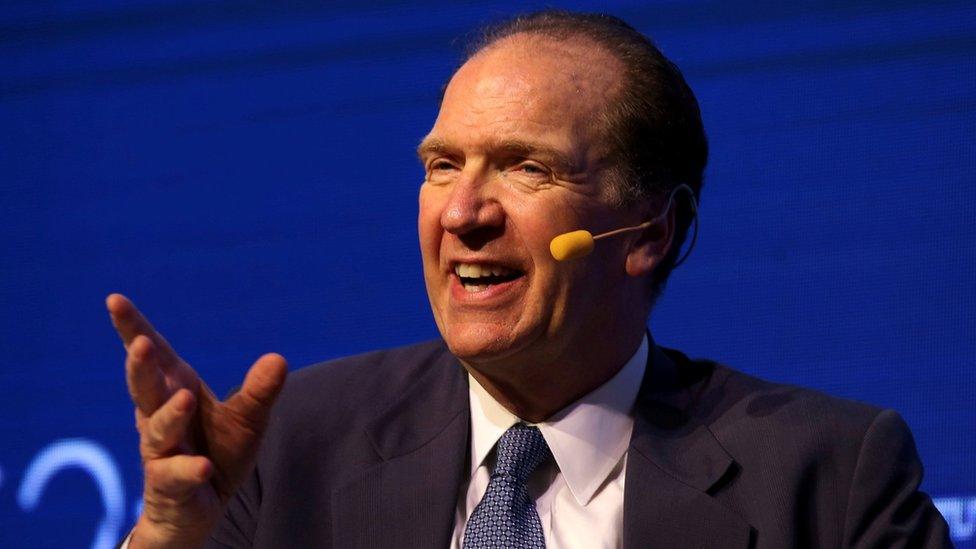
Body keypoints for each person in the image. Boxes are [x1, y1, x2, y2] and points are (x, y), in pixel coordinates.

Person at [108, 10, 951, 548]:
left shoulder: (831, 479)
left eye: (526, 169)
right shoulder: (296, 445)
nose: (463, 212)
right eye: (442, 166)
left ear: (650, 231)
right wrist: (169, 534)